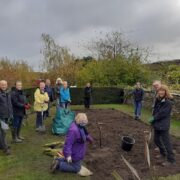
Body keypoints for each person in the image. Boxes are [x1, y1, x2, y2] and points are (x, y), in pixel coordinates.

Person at [149, 85, 176, 166]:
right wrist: (153, 119)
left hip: (163, 125)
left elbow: (162, 113)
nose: (161, 92)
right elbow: (155, 110)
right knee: (156, 140)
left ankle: (171, 160)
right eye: (160, 91)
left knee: (166, 143)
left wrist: (153, 118)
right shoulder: (158, 100)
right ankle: (163, 153)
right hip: (157, 124)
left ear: (166, 92)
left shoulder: (168, 102)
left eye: (163, 91)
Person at [0, 80, 13, 155]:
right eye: (2, 85)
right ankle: (5, 149)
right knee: (4, 132)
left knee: (3, 132)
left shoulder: (8, 93)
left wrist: (11, 114)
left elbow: (9, 104)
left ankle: (2, 145)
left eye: (5, 85)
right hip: (1, 116)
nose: (4, 86)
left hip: (7, 116)